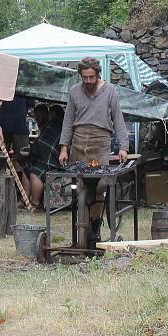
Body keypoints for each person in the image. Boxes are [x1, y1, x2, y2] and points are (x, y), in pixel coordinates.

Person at [58, 57, 128, 248]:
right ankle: (82, 233)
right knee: (80, 187)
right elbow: (67, 121)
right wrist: (64, 148)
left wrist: (123, 147)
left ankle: (94, 231)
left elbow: (119, 120)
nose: (88, 81)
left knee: (99, 186)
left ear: (98, 75)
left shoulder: (110, 91)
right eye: (85, 78)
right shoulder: (74, 92)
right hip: (79, 144)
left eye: (91, 77)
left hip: (100, 144)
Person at [23, 105, 63, 210]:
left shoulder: (59, 125)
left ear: (54, 114)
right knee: (27, 167)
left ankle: (35, 203)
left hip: (54, 161)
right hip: (45, 157)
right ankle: (25, 199)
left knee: (36, 173)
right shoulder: (49, 125)